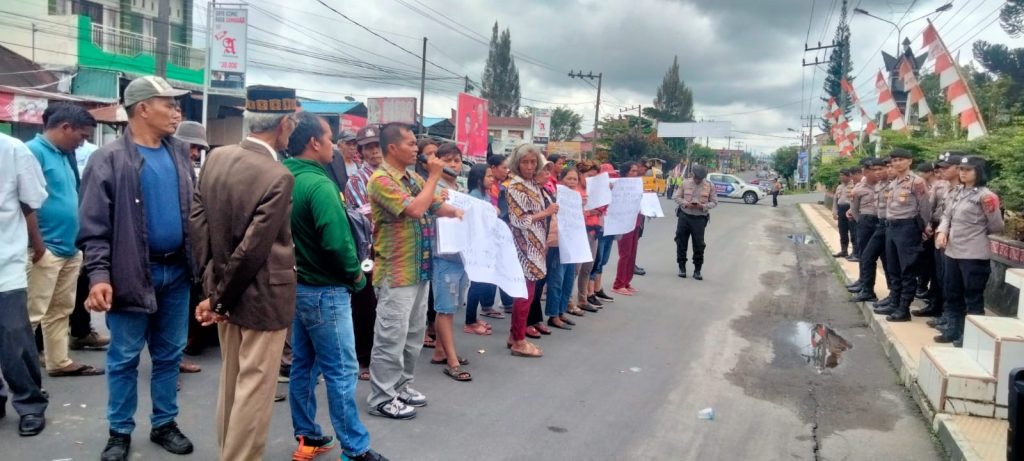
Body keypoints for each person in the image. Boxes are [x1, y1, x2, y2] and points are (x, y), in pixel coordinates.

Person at [78, 76, 194, 461]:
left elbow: (194, 214)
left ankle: (165, 423)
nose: (177, 111)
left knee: (169, 355)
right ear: (143, 108)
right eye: (169, 103)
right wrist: (98, 276)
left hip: (176, 273)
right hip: (131, 274)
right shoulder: (108, 159)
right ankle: (119, 432)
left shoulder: (179, 153)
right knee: (124, 357)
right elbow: (94, 227)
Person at [190, 85, 298, 460]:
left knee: (232, 383)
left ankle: (227, 453)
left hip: (224, 292)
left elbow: (198, 224)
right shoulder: (277, 175)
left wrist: (213, 291)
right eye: (292, 123)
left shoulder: (216, 158)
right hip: (262, 298)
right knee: (254, 389)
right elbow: (254, 250)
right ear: (284, 123)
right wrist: (219, 298)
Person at [282, 112, 388, 461]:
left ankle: (308, 435)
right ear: (315, 142)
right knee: (341, 371)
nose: (335, 147)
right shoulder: (320, 185)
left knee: (304, 365)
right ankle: (355, 448)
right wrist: (357, 278)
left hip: (297, 286)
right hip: (326, 290)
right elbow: (338, 243)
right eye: (330, 139)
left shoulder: (285, 178)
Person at [365, 123, 462, 420]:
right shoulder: (381, 180)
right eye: (410, 143)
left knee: (413, 334)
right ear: (392, 148)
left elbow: (435, 205)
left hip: (420, 269)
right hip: (396, 272)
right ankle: (381, 397)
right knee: (390, 337)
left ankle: (402, 386)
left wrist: (464, 211)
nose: (416, 148)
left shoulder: (413, 178)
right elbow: (416, 210)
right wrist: (434, 176)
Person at [24, 103, 104, 378]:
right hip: (44, 249)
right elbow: (25, 203)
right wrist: (38, 245)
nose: (82, 143)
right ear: (64, 127)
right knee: (31, 315)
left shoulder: (63, 154)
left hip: (69, 247)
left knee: (60, 310)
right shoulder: (32, 153)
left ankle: (58, 361)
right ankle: (22, 377)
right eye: (80, 136)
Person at [1, 132, 49, 437]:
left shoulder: (13, 150)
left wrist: (36, 242)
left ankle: (30, 404)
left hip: (4, 263)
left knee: (14, 339)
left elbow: (32, 202)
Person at [934, 156, 1004, 347]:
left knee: (972, 298)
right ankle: (953, 330)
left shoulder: (986, 196)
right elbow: (947, 215)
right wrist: (942, 231)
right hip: (952, 252)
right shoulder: (957, 192)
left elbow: (996, 225)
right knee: (952, 293)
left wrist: (975, 233)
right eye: (962, 169)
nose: (963, 172)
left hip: (973, 254)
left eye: (968, 169)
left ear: (979, 172)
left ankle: (972, 337)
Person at [428, 143, 475, 381]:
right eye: (448, 160)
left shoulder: (459, 188)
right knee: (445, 308)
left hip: (459, 254)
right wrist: (440, 200)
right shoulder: (435, 187)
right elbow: (430, 210)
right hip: (444, 255)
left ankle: (440, 351)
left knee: (450, 307)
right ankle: (453, 361)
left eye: (457, 160)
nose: (454, 164)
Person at [505, 143, 556, 358]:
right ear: (517, 163)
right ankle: (519, 340)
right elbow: (519, 220)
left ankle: (514, 335)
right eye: (525, 162)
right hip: (524, 246)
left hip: (536, 244)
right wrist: (545, 212)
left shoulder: (532, 184)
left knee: (529, 292)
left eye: (533, 162)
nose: (529, 166)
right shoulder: (516, 186)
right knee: (525, 293)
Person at [875, 149, 932, 322]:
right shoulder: (893, 182)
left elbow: (925, 207)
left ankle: (903, 308)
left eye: (901, 160)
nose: (896, 163)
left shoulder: (917, 182)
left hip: (908, 227)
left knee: (907, 269)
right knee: (893, 267)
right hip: (892, 227)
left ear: (909, 161)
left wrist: (925, 227)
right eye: (894, 160)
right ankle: (894, 301)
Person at [173, 121, 211, 373]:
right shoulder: (167, 168)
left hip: (187, 249)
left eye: (199, 149)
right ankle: (167, 365)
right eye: (193, 147)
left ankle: (173, 359)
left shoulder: (190, 171)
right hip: (164, 253)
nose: (196, 153)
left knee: (182, 307)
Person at [351, 125, 382, 381]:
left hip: (392, 249)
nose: (375, 152)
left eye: (378, 146)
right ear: (361, 152)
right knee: (365, 304)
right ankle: (364, 359)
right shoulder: (356, 181)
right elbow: (366, 217)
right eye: (369, 147)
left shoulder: (395, 177)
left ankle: (384, 358)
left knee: (389, 305)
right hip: (366, 250)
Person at [924, 153, 964, 330]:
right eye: (941, 167)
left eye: (946, 167)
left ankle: (951, 316)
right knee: (939, 274)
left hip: (958, 237)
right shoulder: (943, 186)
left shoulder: (965, 190)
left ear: (958, 169)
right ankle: (941, 310)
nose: (941, 170)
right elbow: (934, 208)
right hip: (940, 230)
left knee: (952, 279)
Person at [465, 164, 506, 322]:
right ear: (478, 179)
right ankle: (470, 320)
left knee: (480, 282)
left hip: (485, 243)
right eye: (488, 176)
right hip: (477, 245)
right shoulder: (474, 196)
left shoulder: (485, 195)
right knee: (476, 284)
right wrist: (492, 212)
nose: (491, 179)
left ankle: (474, 318)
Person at [547, 167, 583, 330]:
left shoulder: (577, 198)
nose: (572, 182)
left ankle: (561, 311)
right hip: (558, 243)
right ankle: (553, 315)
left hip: (572, 244)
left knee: (569, 279)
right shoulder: (555, 197)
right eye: (569, 179)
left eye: (575, 179)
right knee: (557, 280)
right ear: (561, 180)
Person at [673, 164, 717, 280]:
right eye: (696, 177)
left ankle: (697, 270)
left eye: (700, 178)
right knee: (681, 242)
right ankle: (681, 267)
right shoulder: (685, 183)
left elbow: (714, 202)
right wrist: (685, 203)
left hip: (699, 219)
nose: (698, 180)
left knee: (699, 245)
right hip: (684, 216)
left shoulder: (709, 186)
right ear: (693, 175)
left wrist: (703, 206)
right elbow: (676, 197)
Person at [848, 159, 884, 302]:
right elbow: (854, 209)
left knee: (882, 257)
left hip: (881, 221)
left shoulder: (884, 185)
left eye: (877, 170)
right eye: (870, 171)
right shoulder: (858, 188)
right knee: (864, 254)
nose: (875, 173)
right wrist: (861, 221)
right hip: (865, 221)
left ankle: (867, 287)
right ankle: (864, 283)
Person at [487, 153, 515, 312]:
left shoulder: (503, 186)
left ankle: (507, 301)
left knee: (504, 266)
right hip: (493, 232)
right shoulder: (490, 188)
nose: (507, 171)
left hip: (503, 230)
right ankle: (487, 304)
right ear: (493, 168)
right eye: (504, 167)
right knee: (493, 268)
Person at [573, 160, 602, 315]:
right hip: (579, 232)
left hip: (594, 230)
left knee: (588, 267)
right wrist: (590, 211)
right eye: (589, 176)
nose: (591, 181)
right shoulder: (573, 190)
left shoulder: (595, 190)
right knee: (575, 269)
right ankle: (568, 302)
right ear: (580, 174)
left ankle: (583, 299)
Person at [588, 163, 619, 305]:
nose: (610, 180)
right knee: (596, 261)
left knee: (603, 260)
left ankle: (597, 288)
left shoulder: (612, 190)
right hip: (598, 226)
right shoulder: (594, 189)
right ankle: (590, 292)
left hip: (609, 226)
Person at [612, 162, 643, 295]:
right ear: (626, 172)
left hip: (635, 221)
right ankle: (618, 284)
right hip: (624, 223)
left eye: (636, 171)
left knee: (632, 254)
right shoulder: (619, 184)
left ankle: (626, 281)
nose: (636, 174)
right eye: (633, 171)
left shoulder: (636, 185)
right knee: (624, 254)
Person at [832, 169, 856, 259]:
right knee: (842, 231)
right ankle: (844, 250)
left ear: (849, 176)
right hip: (841, 210)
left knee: (853, 231)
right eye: (840, 175)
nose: (841, 177)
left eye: (843, 175)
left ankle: (855, 252)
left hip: (850, 209)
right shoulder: (839, 187)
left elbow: (855, 200)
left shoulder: (854, 185)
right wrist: (834, 211)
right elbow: (835, 199)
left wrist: (852, 210)